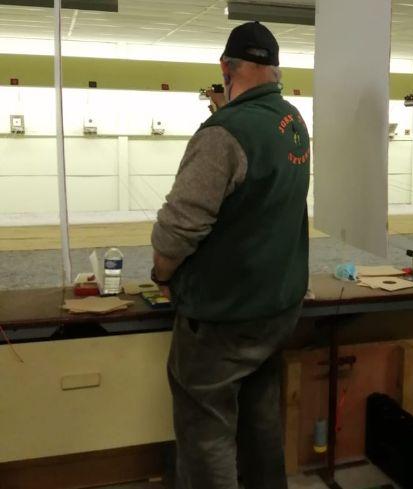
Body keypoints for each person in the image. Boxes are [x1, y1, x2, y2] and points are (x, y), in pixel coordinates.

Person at [149, 22, 310, 489]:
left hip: (223, 314)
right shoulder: (293, 123)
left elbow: (177, 229)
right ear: (275, 71)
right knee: (260, 422)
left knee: (206, 432)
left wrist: (162, 273)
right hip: (277, 308)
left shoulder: (221, 135)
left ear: (226, 67)